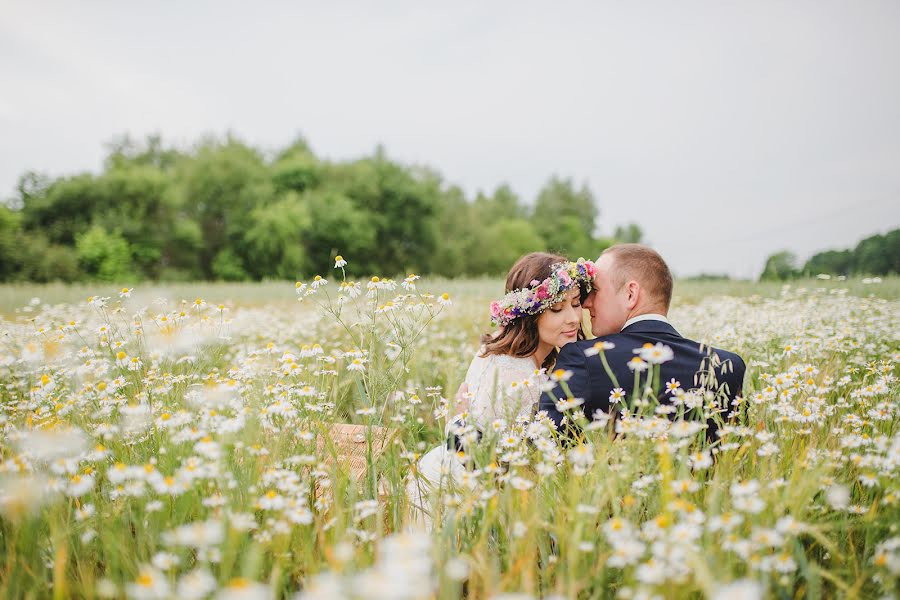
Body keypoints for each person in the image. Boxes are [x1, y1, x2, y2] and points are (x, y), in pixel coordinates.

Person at [406, 252, 596, 528]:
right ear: (528, 314)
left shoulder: (512, 350)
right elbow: (510, 463)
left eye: (576, 304)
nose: (573, 319)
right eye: (557, 309)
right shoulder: (515, 373)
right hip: (459, 494)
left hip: (472, 479)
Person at [539, 244, 745, 442]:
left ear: (631, 294)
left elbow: (544, 446)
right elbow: (735, 455)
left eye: (595, 290)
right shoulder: (726, 366)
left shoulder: (583, 358)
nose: (586, 303)